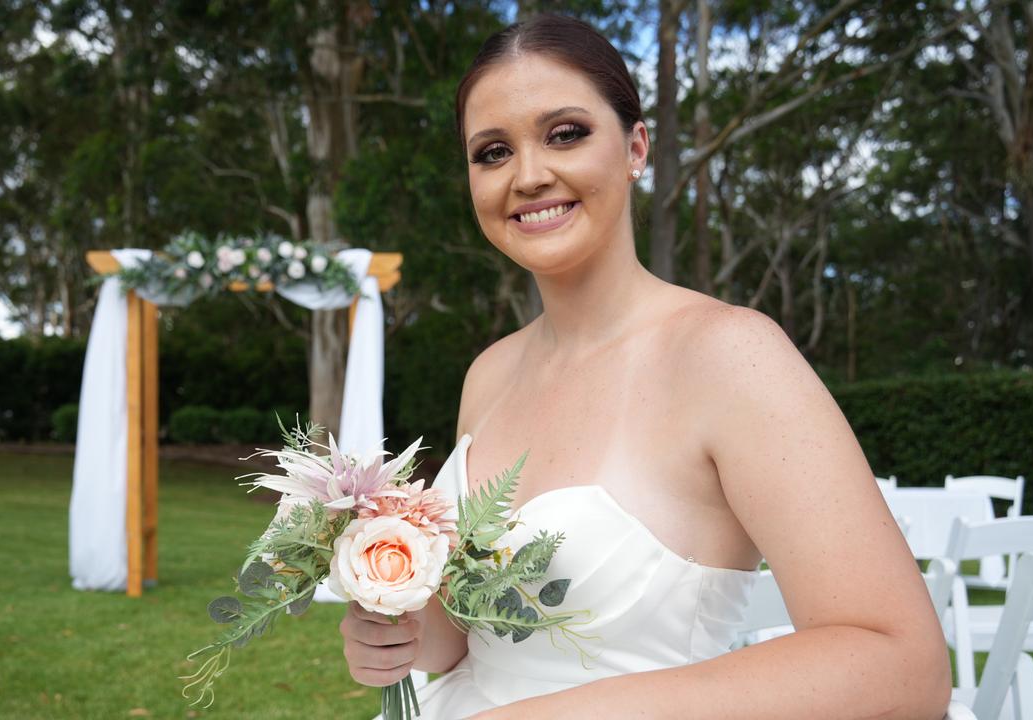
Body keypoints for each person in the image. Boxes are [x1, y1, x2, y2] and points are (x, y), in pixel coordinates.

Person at [339, 13, 952, 720]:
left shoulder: (730, 356)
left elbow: (902, 665)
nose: (530, 175)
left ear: (635, 148)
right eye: (493, 152)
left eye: (565, 133)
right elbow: (473, 641)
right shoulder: (490, 373)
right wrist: (398, 635)